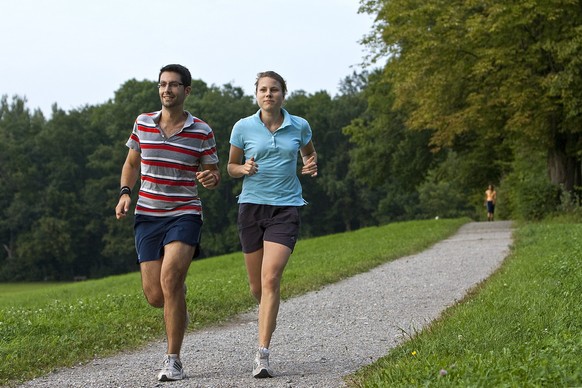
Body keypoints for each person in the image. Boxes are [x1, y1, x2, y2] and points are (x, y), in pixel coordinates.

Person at [115, 64, 220, 382]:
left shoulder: (202, 131)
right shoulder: (142, 123)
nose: (167, 90)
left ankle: (173, 360)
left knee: (170, 280)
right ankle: (176, 295)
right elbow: (132, 163)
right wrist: (124, 193)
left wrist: (209, 178)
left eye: (174, 85)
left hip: (184, 212)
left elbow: (213, 174)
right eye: (162, 84)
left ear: (186, 91)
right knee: (155, 296)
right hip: (147, 215)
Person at [227, 71, 318, 378]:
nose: (269, 94)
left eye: (274, 90)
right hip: (251, 208)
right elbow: (230, 167)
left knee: (271, 279)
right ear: (257, 94)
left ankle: (262, 354)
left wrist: (310, 164)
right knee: (258, 287)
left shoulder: (299, 125)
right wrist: (244, 168)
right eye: (263, 90)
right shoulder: (243, 127)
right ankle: (270, 308)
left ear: (283, 94)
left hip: (286, 208)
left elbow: (309, 153)